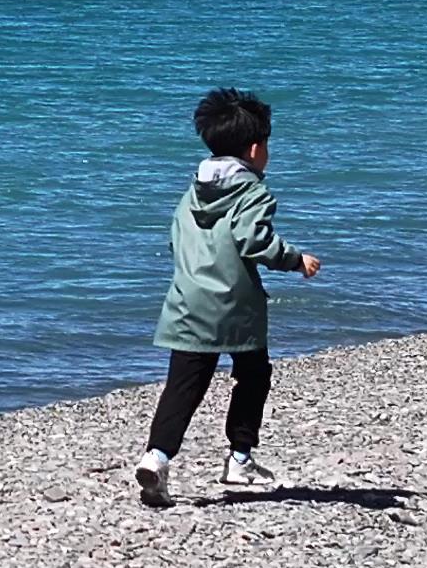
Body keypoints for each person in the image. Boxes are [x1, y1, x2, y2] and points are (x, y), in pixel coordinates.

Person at [133, 86, 322, 506]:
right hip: (235, 307)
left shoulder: (191, 194)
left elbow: (175, 242)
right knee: (253, 375)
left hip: (186, 302)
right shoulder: (252, 193)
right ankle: (239, 457)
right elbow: (254, 240)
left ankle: (157, 457)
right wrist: (296, 260)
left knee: (183, 385)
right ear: (255, 149)